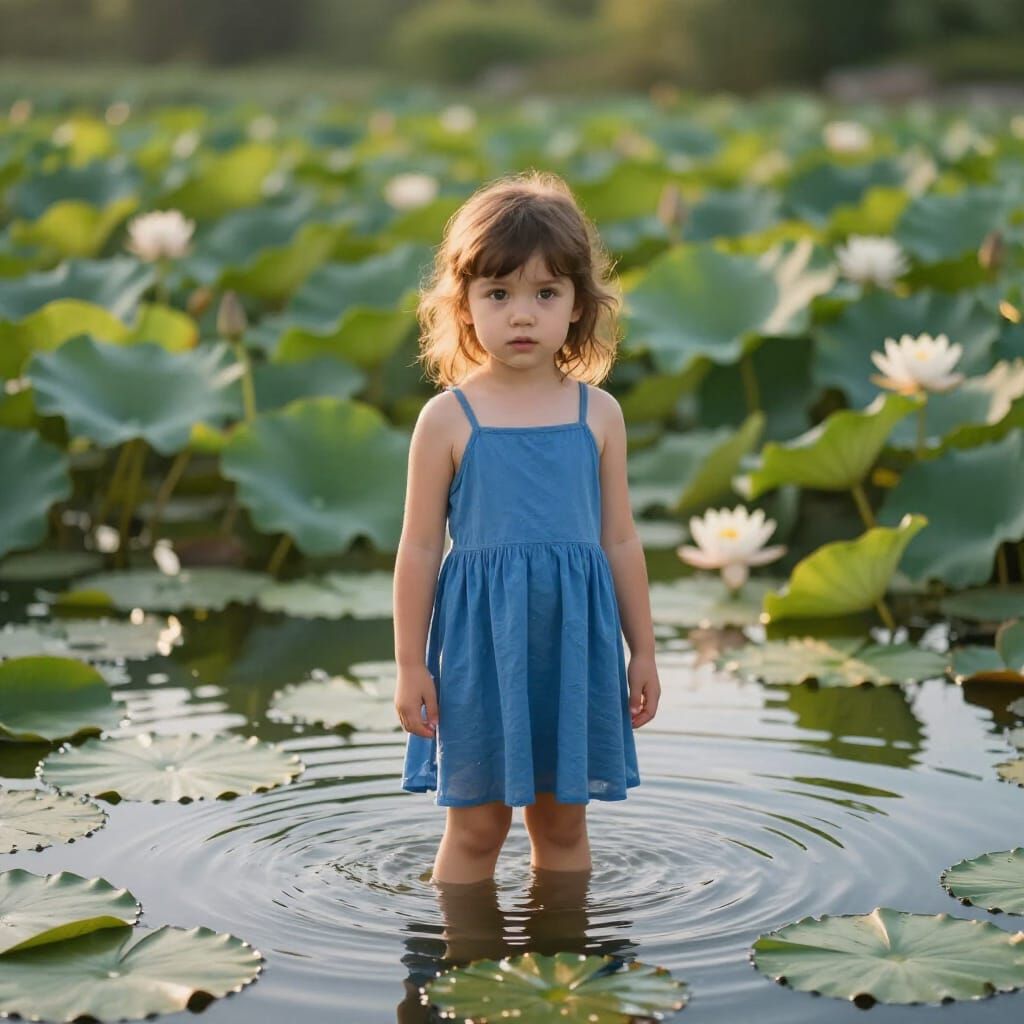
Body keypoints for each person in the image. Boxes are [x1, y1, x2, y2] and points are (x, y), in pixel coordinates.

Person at [393, 169, 660, 886]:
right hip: (483, 647)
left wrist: (644, 651)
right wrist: (411, 664)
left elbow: (621, 540)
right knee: (478, 827)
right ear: (465, 305)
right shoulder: (447, 419)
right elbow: (419, 548)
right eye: (499, 293)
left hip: (574, 642)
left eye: (546, 294)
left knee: (563, 823)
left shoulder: (597, 414)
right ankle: (464, 968)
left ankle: (562, 973)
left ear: (578, 305)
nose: (522, 314)